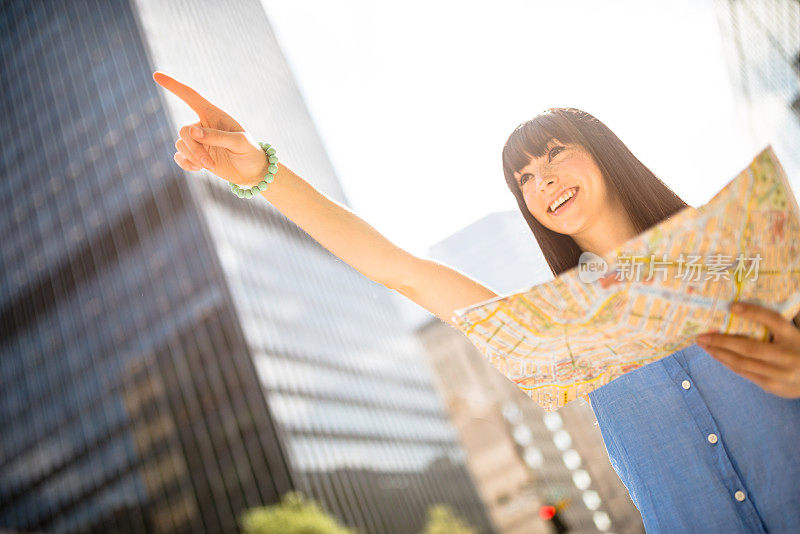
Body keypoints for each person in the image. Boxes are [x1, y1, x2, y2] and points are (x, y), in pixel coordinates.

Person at [153, 71, 800, 532]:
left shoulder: (739, 253)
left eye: (552, 156)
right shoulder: (556, 329)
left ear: (605, 155)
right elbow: (399, 270)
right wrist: (260, 173)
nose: (540, 180)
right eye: (524, 179)